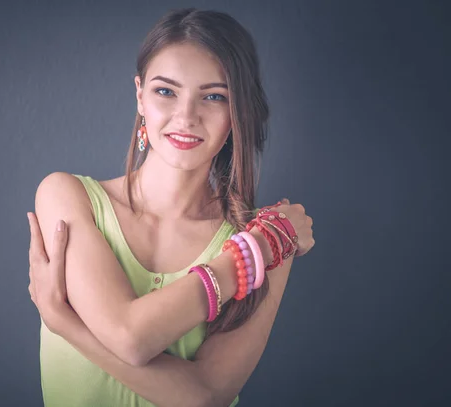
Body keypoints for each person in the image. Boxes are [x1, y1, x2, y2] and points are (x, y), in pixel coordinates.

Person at [26, 8, 315, 407]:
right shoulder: (67, 196)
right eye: (166, 91)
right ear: (140, 95)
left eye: (214, 97)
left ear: (237, 113)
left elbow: (205, 397)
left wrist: (65, 323)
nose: (186, 116)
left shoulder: (266, 242)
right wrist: (254, 254)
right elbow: (130, 337)